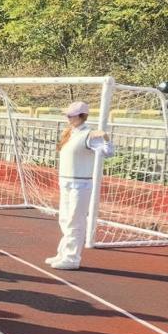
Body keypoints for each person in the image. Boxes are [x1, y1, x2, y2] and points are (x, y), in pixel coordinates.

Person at [45, 102, 113, 271]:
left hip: (81, 184)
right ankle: (63, 253)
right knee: (64, 219)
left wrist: (105, 137)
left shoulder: (88, 135)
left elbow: (108, 152)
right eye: (67, 115)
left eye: (71, 115)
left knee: (75, 221)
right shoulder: (70, 133)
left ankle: (71, 258)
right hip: (66, 182)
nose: (68, 118)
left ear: (81, 116)